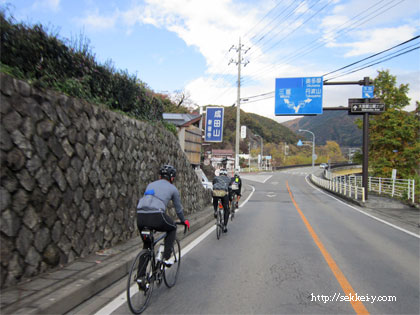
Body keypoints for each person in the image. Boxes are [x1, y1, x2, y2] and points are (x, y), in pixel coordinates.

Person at [136, 165, 190, 287]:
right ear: (172, 178)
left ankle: (140, 277)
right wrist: (184, 220)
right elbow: (178, 209)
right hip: (156, 216)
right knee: (172, 227)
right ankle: (166, 257)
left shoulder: (151, 185)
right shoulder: (173, 189)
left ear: (160, 176)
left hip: (140, 216)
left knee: (147, 246)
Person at [212, 168, 230, 233]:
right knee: (226, 210)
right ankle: (224, 226)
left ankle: (215, 211)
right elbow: (229, 188)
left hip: (216, 192)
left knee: (215, 199)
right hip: (224, 194)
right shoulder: (228, 179)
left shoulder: (216, 178)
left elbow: (213, 184)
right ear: (226, 173)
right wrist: (230, 198)